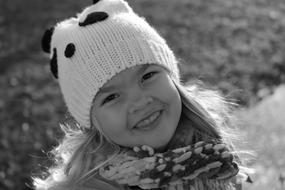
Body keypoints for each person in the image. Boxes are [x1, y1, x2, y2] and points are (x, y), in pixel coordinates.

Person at [34, 0, 252, 189]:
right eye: (111, 97)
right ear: (91, 122)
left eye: (147, 76)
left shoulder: (211, 141)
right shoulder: (86, 185)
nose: (140, 102)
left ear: (172, 78)